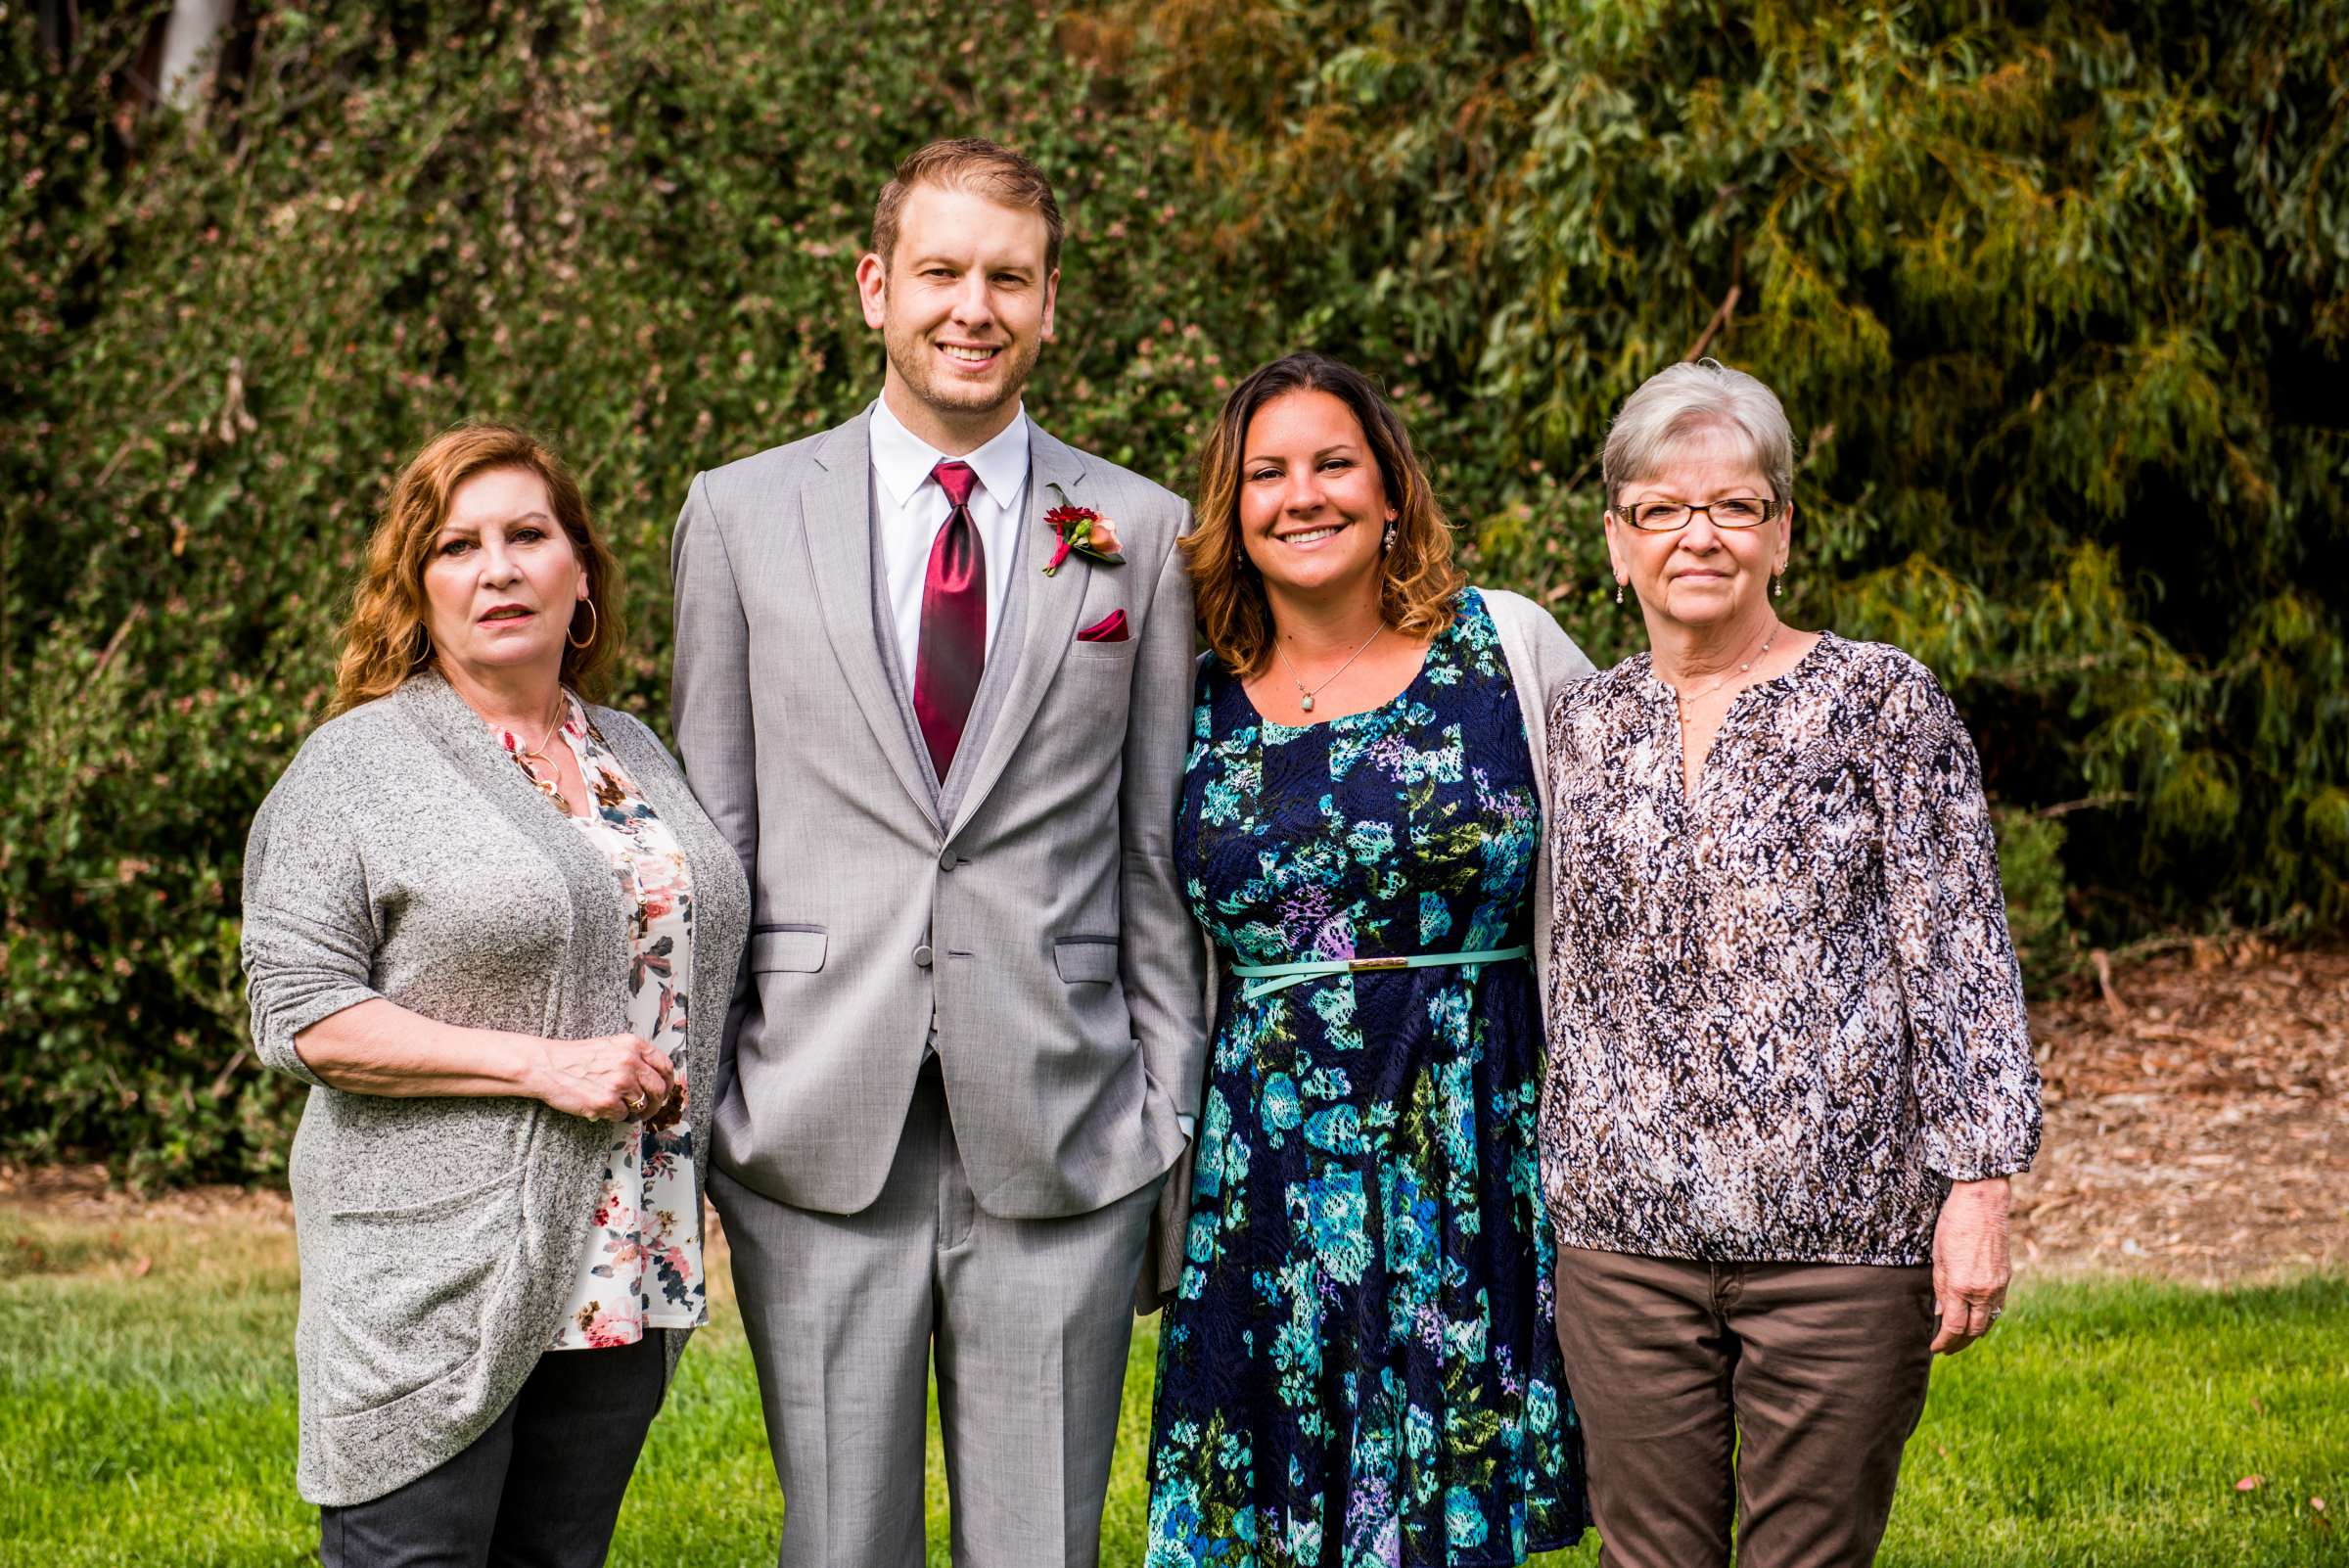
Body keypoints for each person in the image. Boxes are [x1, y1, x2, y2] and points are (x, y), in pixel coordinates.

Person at [668, 137, 1207, 1568]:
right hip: (812, 1118)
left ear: (1048, 305)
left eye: (1008, 278)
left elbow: (1154, 854)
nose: (973, 306)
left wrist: (1169, 1113)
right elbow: (717, 846)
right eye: (942, 272)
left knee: (1042, 1546)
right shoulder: (736, 513)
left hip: (1067, 1118)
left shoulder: (1138, 535)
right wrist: (707, 1113)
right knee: (840, 1541)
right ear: (874, 288)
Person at [1538, 358, 2044, 1568]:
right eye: (1662, 508)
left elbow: (1963, 953)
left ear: (1780, 532)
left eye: (1734, 505)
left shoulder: (1880, 700)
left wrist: (1978, 1191)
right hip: (1625, 1239)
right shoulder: (1580, 722)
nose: (1697, 535)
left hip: (1842, 1238)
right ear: (1618, 543)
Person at [240, 422, 751, 1565]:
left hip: (624, 1250)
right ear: (418, 591)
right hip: (435, 1271)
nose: (499, 568)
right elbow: (302, 1013)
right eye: (458, 546)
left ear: (581, 577)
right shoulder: (359, 768)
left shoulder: (632, 752)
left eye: (528, 535)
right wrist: (545, 1066)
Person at [1140, 351, 1594, 1566]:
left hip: (1478, 1127)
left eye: (1335, 464)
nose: (1305, 495)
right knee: (1282, 1500)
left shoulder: (1508, 644)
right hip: (1272, 1153)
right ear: (1232, 511)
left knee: (1460, 1493)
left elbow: (1626, 871)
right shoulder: (1186, 700)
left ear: (1391, 488)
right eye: (1267, 473)